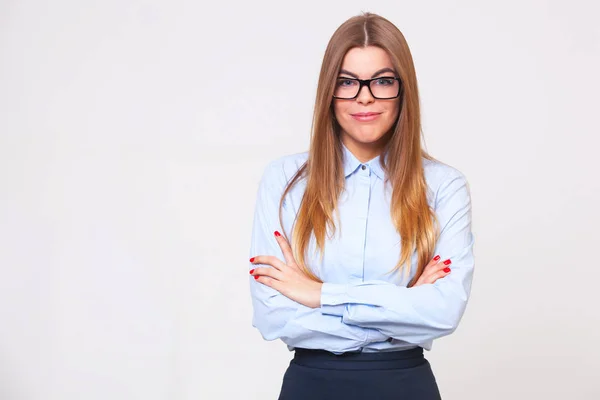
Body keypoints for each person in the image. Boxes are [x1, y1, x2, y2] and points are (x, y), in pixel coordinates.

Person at [247, 11, 475, 400]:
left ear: (403, 89)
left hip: (405, 386)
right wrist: (403, 306)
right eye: (347, 82)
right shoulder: (284, 182)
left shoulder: (443, 186)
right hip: (311, 386)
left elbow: (443, 312)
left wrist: (319, 295)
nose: (364, 95)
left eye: (382, 81)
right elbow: (275, 316)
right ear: (328, 92)